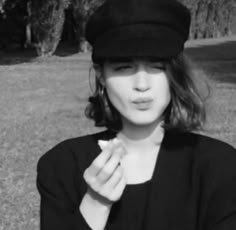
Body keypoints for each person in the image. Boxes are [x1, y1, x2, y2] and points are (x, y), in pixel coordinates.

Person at [36, 0, 236, 229]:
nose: (142, 84)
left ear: (176, 72)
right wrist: (96, 203)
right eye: (124, 68)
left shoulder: (220, 166)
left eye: (157, 66)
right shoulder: (62, 166)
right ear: (101, 75)